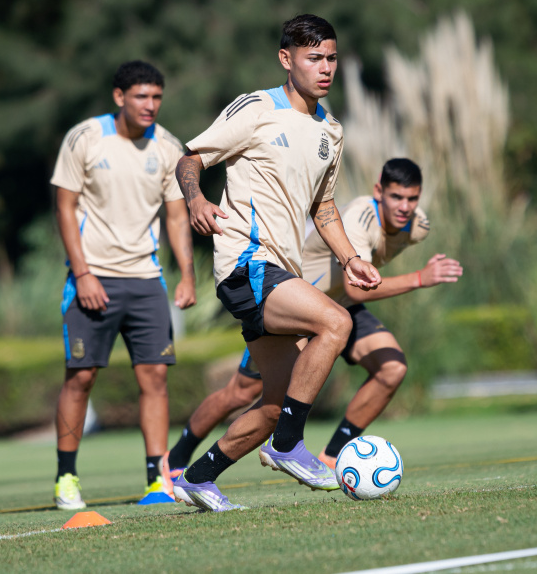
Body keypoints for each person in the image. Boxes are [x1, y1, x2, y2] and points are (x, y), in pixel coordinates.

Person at [170, 14, 382, 512]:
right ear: (287, 60)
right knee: (335, 321)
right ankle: (289, 445)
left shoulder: (331, 128)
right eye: (314, 58)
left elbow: (324, 208)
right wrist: (197, 199)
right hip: (245, 261)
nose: (325, 68)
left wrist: (350, 258)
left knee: (273, 405)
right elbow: (189, 158)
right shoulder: (257, 108)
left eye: (331, 58)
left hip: (280, 269)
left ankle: (198, 477)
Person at [166, 158, 463, 474]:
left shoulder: (417, 226)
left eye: (412, 198)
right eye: (396, 197)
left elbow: (354, 293)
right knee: (242, 392)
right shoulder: (360, 218)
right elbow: (359, 287)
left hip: (341, 308)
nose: (405, 206)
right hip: (298, 308)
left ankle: (331, 456)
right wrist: (420, 278)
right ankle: (175, 460)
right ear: (379, 191)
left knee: (392, 368)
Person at [50, 61, 196, 510]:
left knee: (154, 377)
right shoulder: (85, 138)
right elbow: (64, 207)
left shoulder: (169, 147)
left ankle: (158, 479)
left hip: (146, 279)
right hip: (92, 276)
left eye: (156, 97)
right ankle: (66, 478)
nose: (150, 105)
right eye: (141, 97)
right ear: (119, 97)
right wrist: (84, 273)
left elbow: (176, 216)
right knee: (81, 377)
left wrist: (187, 274)